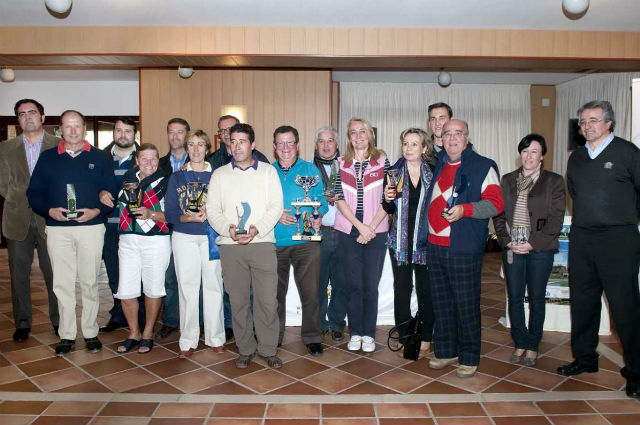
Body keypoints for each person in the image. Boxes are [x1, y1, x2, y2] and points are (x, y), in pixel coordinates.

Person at [557, 100, 640, 400]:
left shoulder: (627, 153)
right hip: (582, 238)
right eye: (582, 122)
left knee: (625, 307)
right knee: (582, 302)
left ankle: (636, 372)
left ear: (608, 123)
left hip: (619, 240)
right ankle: (585, 359)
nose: (586, 126)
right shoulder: (576, 158)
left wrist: (622, 221)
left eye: (593, 120)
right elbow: (576, 195)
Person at [26, 110, 117, 356]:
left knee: (89, 281)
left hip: (91, 227)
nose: (73, 131)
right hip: (58, 230)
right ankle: (66, 334)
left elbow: (112, 191)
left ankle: (90, 332)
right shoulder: (47, 158)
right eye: (68, 126)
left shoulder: (99, 157)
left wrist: (97, 210)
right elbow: (33, 193)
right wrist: (48, 211)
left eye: (77, 126)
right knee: (62, 284)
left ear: (84, 128)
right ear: (60, 130)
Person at [424, 119, 503, 378]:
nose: (452, 138)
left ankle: (469, 356)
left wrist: (465, 210)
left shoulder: (483, 165)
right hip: (435, 245)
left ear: (467, 137)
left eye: (458, 133)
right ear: (441, 138)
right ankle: (447, 351)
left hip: (462, 247)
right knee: (442, 303)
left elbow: (495, 204)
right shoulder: (440, 165)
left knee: (466, 304)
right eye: (447, 134)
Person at [206, 123, 284, 369]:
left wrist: (256, 229)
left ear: (253, 145)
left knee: (267, 301)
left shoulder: (268, 172)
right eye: (233, 141)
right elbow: (212, 210)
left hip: (261, 244)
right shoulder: (219, 174)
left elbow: (276, 207)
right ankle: (246, 348)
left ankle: (268, 349)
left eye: (242, 141)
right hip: (230, 246)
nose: (237, 146)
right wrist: (228, 228)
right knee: (238, 301)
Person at [493, 133, 566, 367]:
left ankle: (533, 344)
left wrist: (533, 242)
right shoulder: (507, 180)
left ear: (542, 156)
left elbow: (556, 219)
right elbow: (499, 215)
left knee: (536, 298)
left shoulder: (553, 181)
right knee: (514, 298)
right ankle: (520, 342)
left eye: (534, 151)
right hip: (513, 248)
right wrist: (507, 242)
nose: (528, 156)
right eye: (525, 151)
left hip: (539, 249)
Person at [0, 98, 59, 342]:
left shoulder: (58, 145)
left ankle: (59, 321)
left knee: (54, 274)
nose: (28, 117)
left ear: (43, 117)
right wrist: (19, 199)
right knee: (18, 274)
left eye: (32, 112)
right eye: (22, 114)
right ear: (18, 120)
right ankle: (23, 322)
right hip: (17, 218)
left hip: (50, 219)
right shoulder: (5, 148)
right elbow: (3, 184)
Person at [165, 130, 225, 357]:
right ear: (186, 148)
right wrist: (186, 217)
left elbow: (224, 206)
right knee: (188, 288)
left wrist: (209, 214)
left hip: (211, 235)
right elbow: (170, 211)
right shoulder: (177, 177)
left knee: (214, 286)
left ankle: (215, 337)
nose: (196, 149)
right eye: (191, 144)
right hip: (184, 236)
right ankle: (188, 340)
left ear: (208, 148)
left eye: (201, 144)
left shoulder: (218, 175)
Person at [334, 117, 390, 353]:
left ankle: (369, 333)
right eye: (353, 132)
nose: (358, 136)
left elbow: (390, 198)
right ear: (349, 137)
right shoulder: (340, 163)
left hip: (376, 231)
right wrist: (359, 226)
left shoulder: (383, 161)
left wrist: (370, 228)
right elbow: (338, 198)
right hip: (348, 230)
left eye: (362, 132)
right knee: (353, 284)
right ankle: (355, 332)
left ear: (370, 135)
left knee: (370, 285)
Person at [272, 125, 326, 356]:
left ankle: (313, 337)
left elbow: (320, 201)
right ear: (274, 147)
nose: (285, 148)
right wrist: (275, 215)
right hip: (273, 242)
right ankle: (273, 336)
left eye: (290, 143)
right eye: (280, 143)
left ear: (297, 145)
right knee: (274, 295)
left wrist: (317, 217)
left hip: (306, 242)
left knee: (311, 292)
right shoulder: (266, 171)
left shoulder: (310, 170)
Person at [382, 128, 435, 358]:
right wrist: (386, 199)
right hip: (399, 244)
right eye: (405, 143)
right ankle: (404, 336)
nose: (409, 148)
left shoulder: (434, 173)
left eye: (414, 144)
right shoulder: (393, 173)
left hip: (425, 242)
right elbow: (388, 209)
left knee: (426, 291)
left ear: (424, 148)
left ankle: (425, 337)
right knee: (402, 290)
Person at [114, 143, 171, 354]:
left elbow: (174, 216)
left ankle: (147, 333)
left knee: (153, 288)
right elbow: (109, 198)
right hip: (128, 240)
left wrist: (151, 214)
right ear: (137, 160)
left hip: (156, 241)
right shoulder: (125, 179)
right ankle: (133, 332)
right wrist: (103, 193)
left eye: (153, 158)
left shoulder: (167, 181)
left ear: (159, 160)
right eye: (144, 158)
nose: (149, 163)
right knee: (126, 289)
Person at [99, 117, 144, 333]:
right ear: (113, 133)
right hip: (109, 226)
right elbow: (91, 185)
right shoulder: (101, 157)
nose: (123, 135)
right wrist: (99, 192)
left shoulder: (145, 157)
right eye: (119, 130)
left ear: (134, 133)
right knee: (114, 273)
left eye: (127, 131)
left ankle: (141, 316)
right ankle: (118, 314)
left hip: (136, 226)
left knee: (139, 273)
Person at [155, 117, 190, 341]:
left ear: (187, 135)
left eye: (179, 132)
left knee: (192, 276)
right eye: (171, 132)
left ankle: (195, 319)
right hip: (167, 226)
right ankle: (170, 320)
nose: (175, 136)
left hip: (193, 227)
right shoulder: (159, 164)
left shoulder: (200, 160)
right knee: (169, 277)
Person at [313, 126, 348, 343]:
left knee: (341, 282)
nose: (326, 145)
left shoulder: (347, 167)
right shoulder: (307, 170)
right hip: (320, 234)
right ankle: (319, 324)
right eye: (321, 141)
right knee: (317, 283)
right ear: (316, 145)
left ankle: (337, 323)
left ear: (337, 144)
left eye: (330, 141)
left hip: (344, 232)